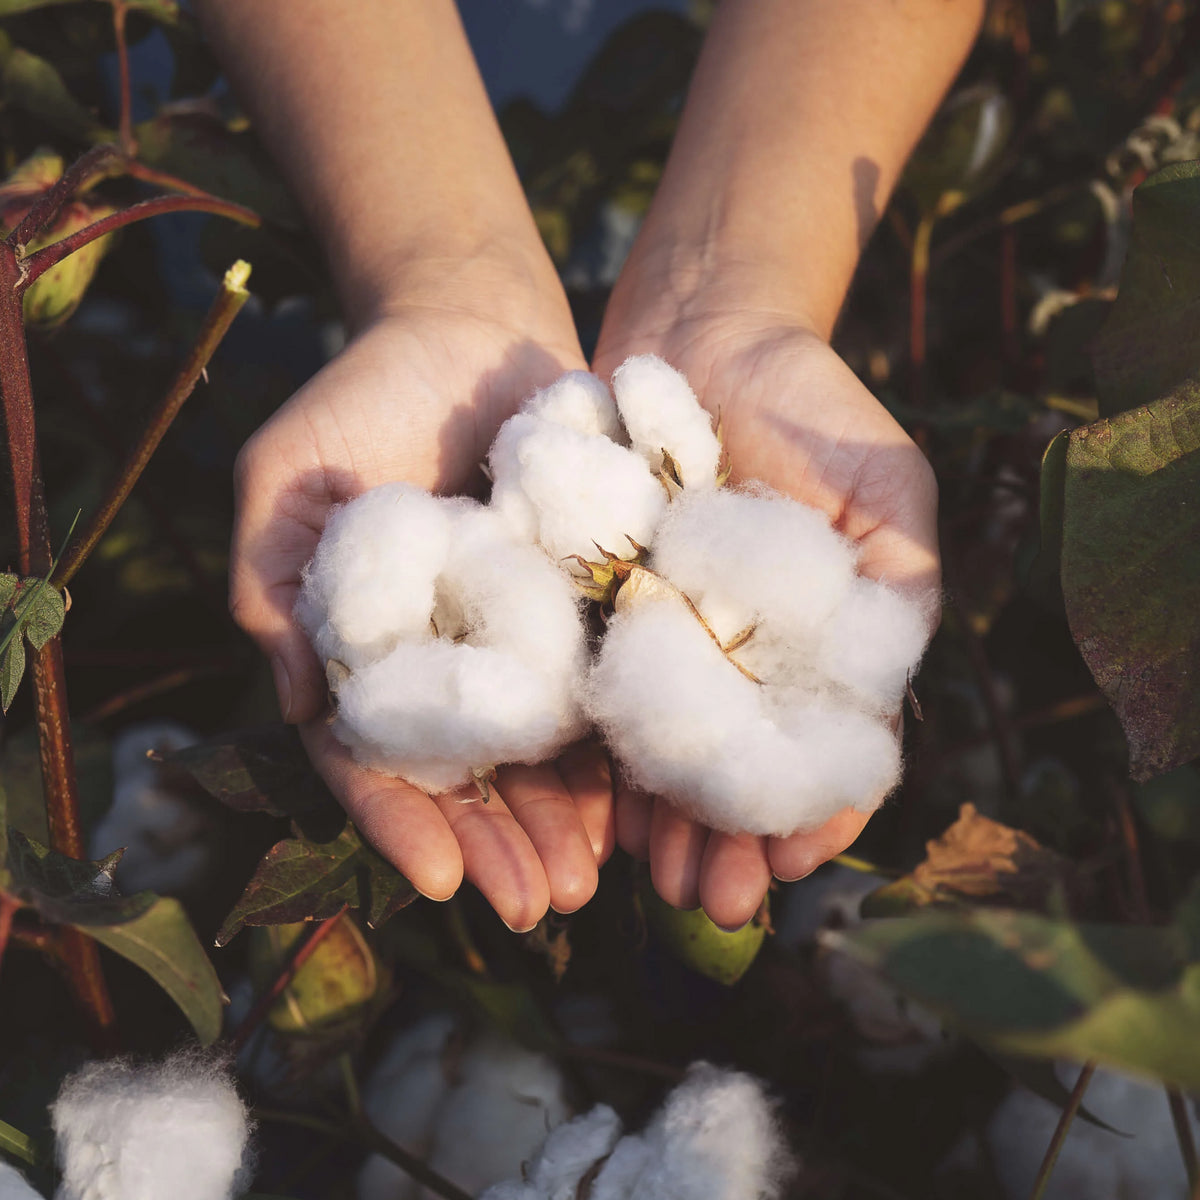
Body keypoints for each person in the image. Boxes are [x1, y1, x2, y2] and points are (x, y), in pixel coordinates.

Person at [197, 0, 978, 934]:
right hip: (325, 137)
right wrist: (439, 283)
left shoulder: (597, 528)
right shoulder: (596, 534)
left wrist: (733, 291)